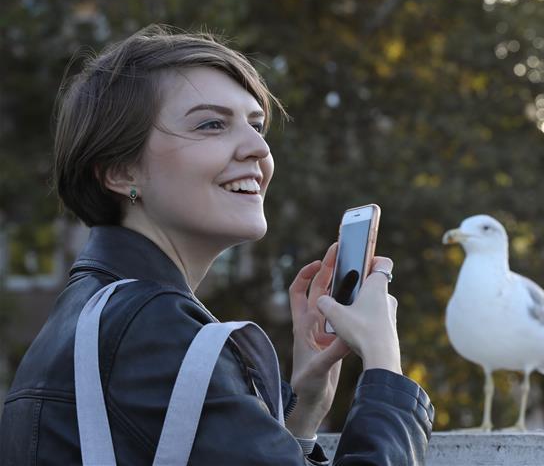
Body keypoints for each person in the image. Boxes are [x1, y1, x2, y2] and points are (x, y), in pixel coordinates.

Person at [0, 26, 433, 465]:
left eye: (257, 125)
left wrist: (302, 411)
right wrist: (383, 364)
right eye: (211, 125)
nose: (258, 148)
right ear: (120, 171)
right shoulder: (155, 333)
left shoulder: (89, 313)